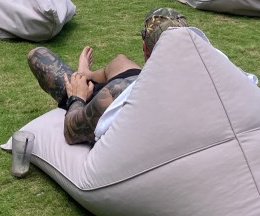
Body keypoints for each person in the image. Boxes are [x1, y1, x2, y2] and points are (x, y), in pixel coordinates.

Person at [26, 8, 190, 145]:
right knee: (121, 61)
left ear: (145, 48)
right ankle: (86, 74)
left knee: (37, 55)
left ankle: (83, 79)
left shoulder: (115, 93)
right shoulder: (199, 80)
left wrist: (77, 97)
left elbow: (72, 132)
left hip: (99, 98)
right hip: (133, 79)